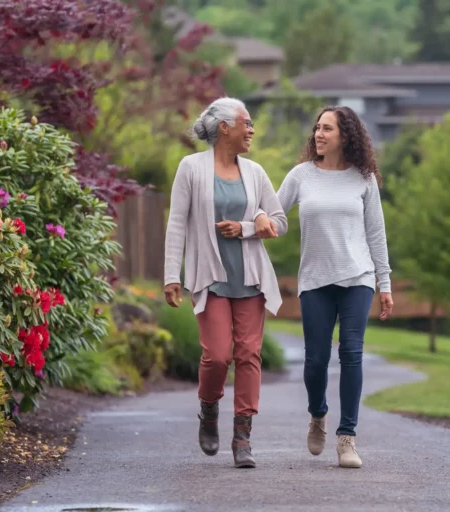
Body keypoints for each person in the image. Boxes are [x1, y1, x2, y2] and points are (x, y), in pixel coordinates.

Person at [255, 106, 394, 469]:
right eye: (317, 128)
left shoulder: (364, 179)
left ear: (345, 136)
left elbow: (376, 234)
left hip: (357, 278)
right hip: (315, 279)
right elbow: (276, 216)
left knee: (351, 353)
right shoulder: (301, 176)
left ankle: (347, 438)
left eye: (327, 129)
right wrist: (254, 224)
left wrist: (385, 283)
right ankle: (318, 414)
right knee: (316, 361)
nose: (319, 134)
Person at [163, 97, 286, 469]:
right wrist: (172, 274)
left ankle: (242, 437)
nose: (252, 130)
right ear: (224, 128)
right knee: (217, 356)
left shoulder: (256, 172)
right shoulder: (191, 167)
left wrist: (248, 227)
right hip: (211, 277)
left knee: (248, 354)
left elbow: (278, 221)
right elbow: (176, 223)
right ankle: (209, 408)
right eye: (246, 123)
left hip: (250, 278)